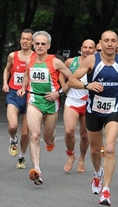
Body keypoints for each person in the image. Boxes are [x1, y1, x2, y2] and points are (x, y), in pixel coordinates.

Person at [67, 30, 118, 206]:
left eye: (113, 40)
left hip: (114, 109)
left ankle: (106, 190)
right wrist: (87, 85)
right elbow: (71, 81)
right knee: (95, 150)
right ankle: (97, 174)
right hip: (93, 110)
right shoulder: (92, 60)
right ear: (101, 43)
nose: (110, 43)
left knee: (111, 149)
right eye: (106, 40)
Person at [17, 31, 72, 184]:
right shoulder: (30, 60)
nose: (40, 46)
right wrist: (23, 88)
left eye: (43, 44)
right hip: (34, 100)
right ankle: (37, 169)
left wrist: (59, 92)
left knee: (47, 137)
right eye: (37, 43)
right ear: (33, 45)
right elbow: (27, 75)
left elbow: (72, 79)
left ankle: (50, 140)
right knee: (34, 135)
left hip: (51, 102)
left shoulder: (55, 62)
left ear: (48, 45)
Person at [61, 39, 96, 173]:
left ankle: (82, 158)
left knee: (85, 135)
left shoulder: (97, 63)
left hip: (89, 102)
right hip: (73, 100)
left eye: (90, 48)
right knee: (69, 131)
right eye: (85, 47)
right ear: (81, 48)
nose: (87, 50)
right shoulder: (71, 62)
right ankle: (71, 155)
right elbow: (61, 74)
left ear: (94, 49)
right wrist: (64, 85)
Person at [2, 29, 35, 169]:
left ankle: (21, 157)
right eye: (23, 38)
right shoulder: (12, 55)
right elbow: (7, 69)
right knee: (13, 126)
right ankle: (13, 140)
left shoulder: (36, 57)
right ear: (20, 39)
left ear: (32, 42)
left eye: (28, 39)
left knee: (25, 132)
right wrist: (5, 83)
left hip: (29, 95)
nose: (25, 41)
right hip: (13, 93)